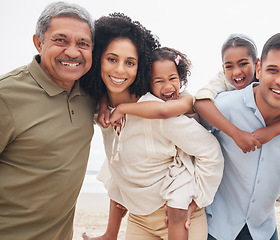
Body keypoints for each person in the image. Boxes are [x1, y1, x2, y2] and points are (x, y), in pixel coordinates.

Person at [80, 14, 223, 240]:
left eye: (130, 62)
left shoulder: (157, 112)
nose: (119, 70)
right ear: (98, 59)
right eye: (111, 59)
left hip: (178, 218)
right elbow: (117, 170)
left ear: (141, 69)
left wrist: (197, 200)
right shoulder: (101, 112)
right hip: (138, 219)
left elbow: (211, 152)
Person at [203, 33, 280, 240]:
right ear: (259, 68)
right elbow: (190, 117)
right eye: (273, 70)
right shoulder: (222, 107)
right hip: (217, 228)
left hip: (264, 231)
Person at [0, 2, 95, 239]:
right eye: (60, 40)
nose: (73, 52)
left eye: (83, 44)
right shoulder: (6, 95)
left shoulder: (91, 94)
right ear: (39, 43)